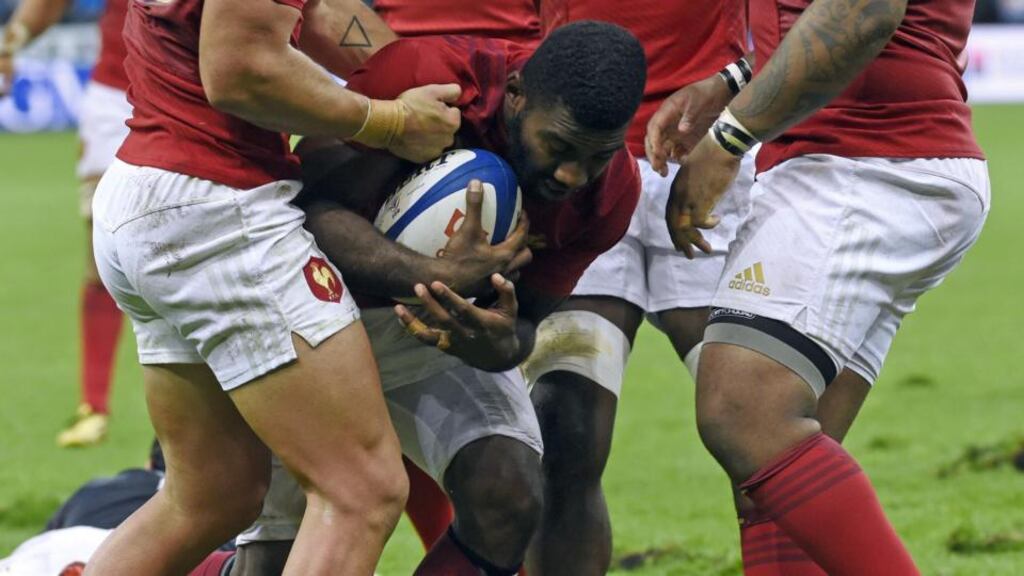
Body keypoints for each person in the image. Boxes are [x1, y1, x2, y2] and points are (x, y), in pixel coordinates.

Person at [233, 21, 646, 576]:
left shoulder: (611, 193)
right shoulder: (428, 78)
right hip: (315, 316)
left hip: (435, 343)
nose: (574, 174)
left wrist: (494, 343)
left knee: (508, 494)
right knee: (272, 559)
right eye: (559, 146)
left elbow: (524, 326)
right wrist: (435, 274)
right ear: (517, 94)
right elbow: (304, 213)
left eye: (598, 156)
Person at [83, 0, 469, 573]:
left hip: (155, 191)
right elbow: (241, 68)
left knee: (213, 494)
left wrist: (417, 75)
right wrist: (390, 121)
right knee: (361, 490)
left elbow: (315, 10)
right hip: (218, 205)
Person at [653, 0, 989, 573]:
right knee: (775, 478)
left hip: (863, 157)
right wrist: (734, 82)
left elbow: (865, 11)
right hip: (877, 155)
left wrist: (729, 138)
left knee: (743, 412)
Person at [516, 2, 752, 573]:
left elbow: (803, 20)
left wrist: (734, 84)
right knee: (563, 429)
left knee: (760, 425)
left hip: (711, 153)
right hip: (579, 162)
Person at [1, 0, 134, 447]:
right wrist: (11, 43)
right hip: (114, 99)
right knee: (104, 252)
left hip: (202, 97)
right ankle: (93, 406)